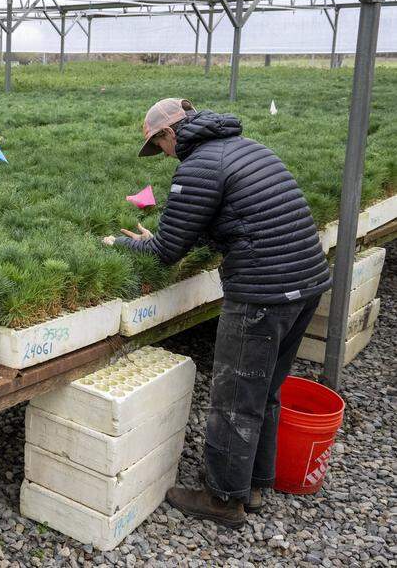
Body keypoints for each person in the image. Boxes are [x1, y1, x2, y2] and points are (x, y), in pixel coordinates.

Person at [102, 98, 331, 528]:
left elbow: (167, 252)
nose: (164, 156)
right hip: (308, 281)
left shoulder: (198, 166)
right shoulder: (247, 147)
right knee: (265, 390)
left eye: (160, 147)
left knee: (233, 399)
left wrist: (123, 244)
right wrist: (170, 231)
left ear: (170, 134)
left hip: (264, 293)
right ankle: (257, 484)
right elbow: (229, 221)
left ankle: (223, 499)